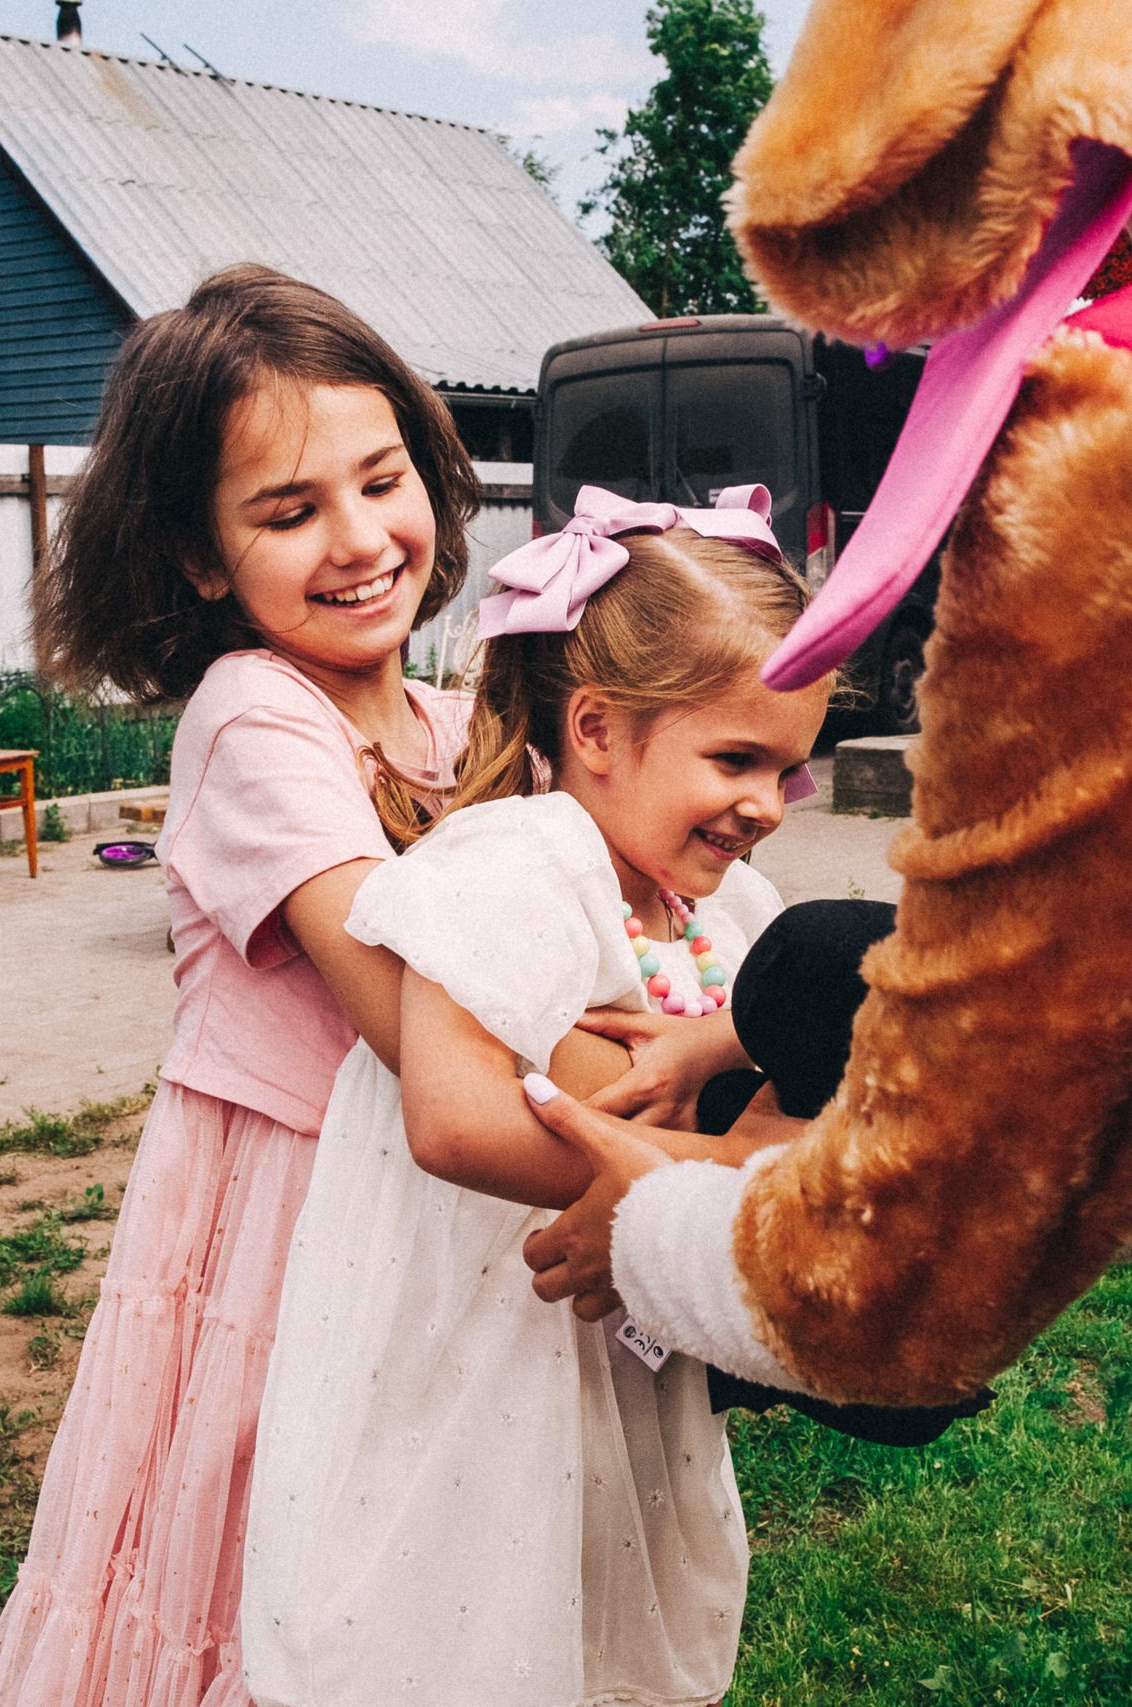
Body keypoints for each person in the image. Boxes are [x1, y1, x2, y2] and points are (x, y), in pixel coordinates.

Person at [0, 263, 484, 1707]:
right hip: (296, 1224)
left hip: (437, 1201)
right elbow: (415, 1018)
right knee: (269, 1579)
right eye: (288, 510)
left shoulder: (461, 719)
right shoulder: (257, 717)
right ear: (201, 558)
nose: (359, 538)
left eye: (380, 479)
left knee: (414, 1564)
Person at [237, 485, 834, 1707]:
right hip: (485, 1325)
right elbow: (451, 1119)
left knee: (603, 1573)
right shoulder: (517, 862)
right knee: (476, 1585)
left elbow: (782, 1097)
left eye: (788, 767)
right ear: (599, 729)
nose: (768, 804)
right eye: (735, 759)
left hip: (616, 1327)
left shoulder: (724, 907)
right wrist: (692, 1183)